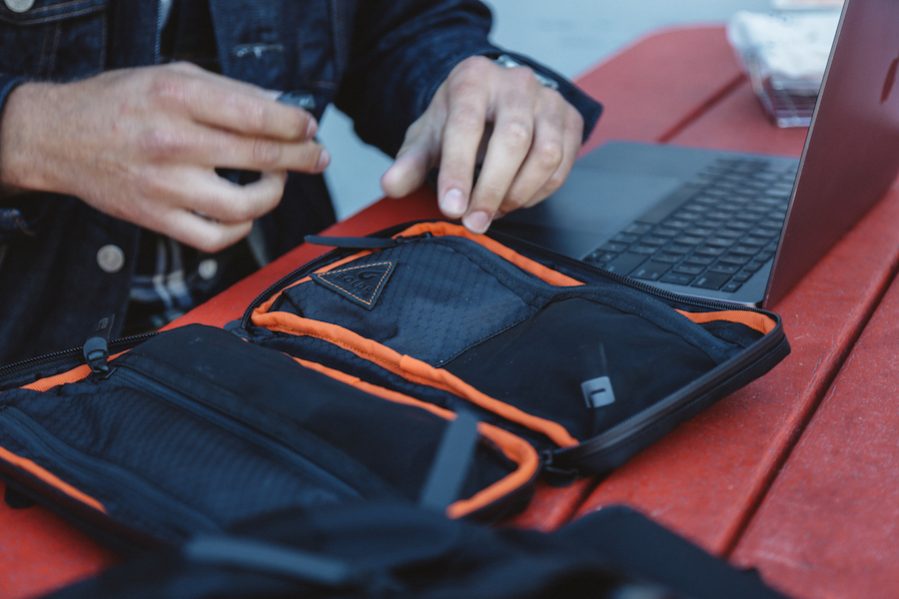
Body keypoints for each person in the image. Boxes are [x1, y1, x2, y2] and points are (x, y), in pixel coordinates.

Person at [0, 0, 601, 364]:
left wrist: (467, 86)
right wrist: (26, 132)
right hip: (29, 371)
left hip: (278, 323)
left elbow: (399, 24)